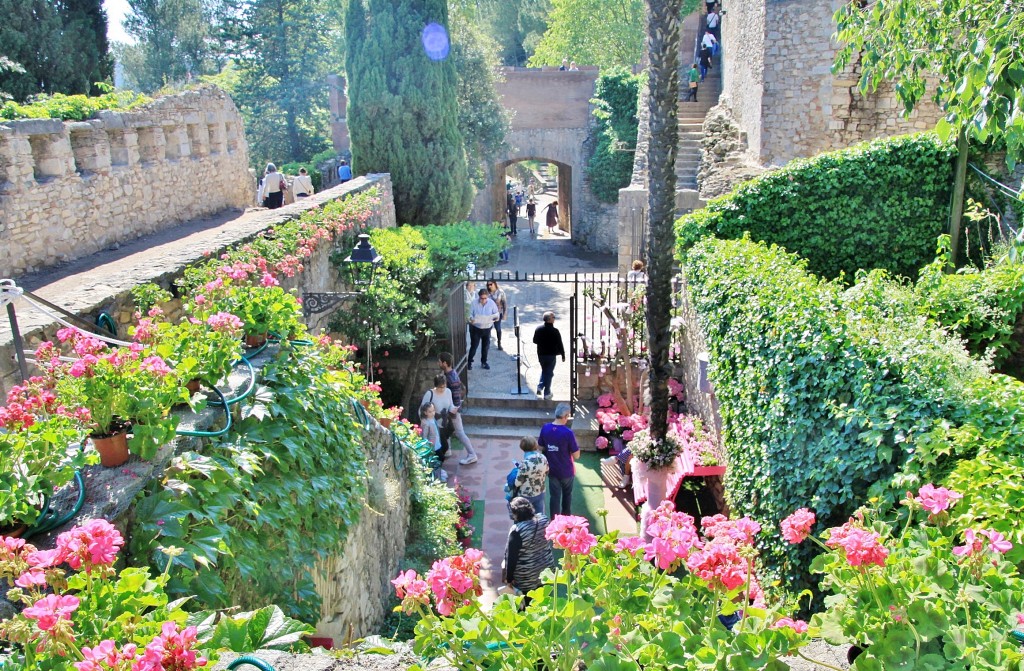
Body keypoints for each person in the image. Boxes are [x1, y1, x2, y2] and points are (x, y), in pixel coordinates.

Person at [503, 497, 555, 602]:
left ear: (515, 514)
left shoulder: (517, 531)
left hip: (527, 576)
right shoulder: (544, 519)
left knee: (528, 604)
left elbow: (511, 558)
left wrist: (508, 579)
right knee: (544, 601)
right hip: (547, 569)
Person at [539, 403, 579, 517]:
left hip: (552, 470)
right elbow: (576, 455)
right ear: (565, 416)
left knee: (554, 497)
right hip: (567, 471)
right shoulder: (568, 433)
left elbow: (540, 447)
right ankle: (566, 521)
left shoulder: (545, 428)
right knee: (567, 496)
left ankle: (554, 521)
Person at [438, 353, 479, 465]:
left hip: (452, 411)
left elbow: (456, 396)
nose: (438, 363)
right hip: (450, 410)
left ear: (445, 363)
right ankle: (447, 451)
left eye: (440, 361)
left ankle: (472, 455)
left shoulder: (451, 378)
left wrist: (454, 410)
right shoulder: (450, 374)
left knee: (460, 433)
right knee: (446, 429)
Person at [421, 374, 454, 461]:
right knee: (443, 447)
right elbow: (422, 409)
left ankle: (438, 465)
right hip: (435, 425)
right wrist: (426, 422)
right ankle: (437, 465)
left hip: (445, 423)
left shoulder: (448, 391)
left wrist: (454, 409)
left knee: (443, 447)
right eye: (440, 387)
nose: (443, 389)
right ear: (435, 386)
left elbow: (450, 405)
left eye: (444, 386)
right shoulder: (430, 394)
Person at [533, 311, 564, 401]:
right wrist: (563, 354)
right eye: (553, 317)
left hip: (541, 354)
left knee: (545, 370)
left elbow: (535, 340)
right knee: (549, 373)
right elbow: (560, 343)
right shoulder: (555, 331)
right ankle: (547, 392)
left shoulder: (538, 329)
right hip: (551, 355)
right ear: (550, 320)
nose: (554, 318)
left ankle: (540, 386)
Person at [514, 436, 549, 515]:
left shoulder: (525, 463)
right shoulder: (543, 457)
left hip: (526, 495)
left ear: (522, 447)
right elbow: (547, 471)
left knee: (524, 518)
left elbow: (517, 483)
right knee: (539, 518)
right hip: (540, 491)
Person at [467, 288, 499, 370]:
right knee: (474, 346)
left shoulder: (491, 303)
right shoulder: (474, 303)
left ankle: (484, 362)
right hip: (476, 328)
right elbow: (469, 314)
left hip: (487, 328)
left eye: (485, 298)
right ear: (479, 297)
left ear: (487, 297)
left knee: (485, 346)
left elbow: (496, 314)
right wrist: (471, 319)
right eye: (482, 298)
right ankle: (469, 362)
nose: (483, 300)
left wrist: (495, 318)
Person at [486, 280, 508, 350]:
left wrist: (504, 313)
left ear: (495, 284)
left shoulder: (500, 292)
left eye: (491, 284)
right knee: (488, 329)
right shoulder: (487, 293)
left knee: (498, 328)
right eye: (488, 285)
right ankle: (487, 343)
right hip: (488, 314)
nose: (489, 286)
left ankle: (499, 343)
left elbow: (504, 303)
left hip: (497, 313)